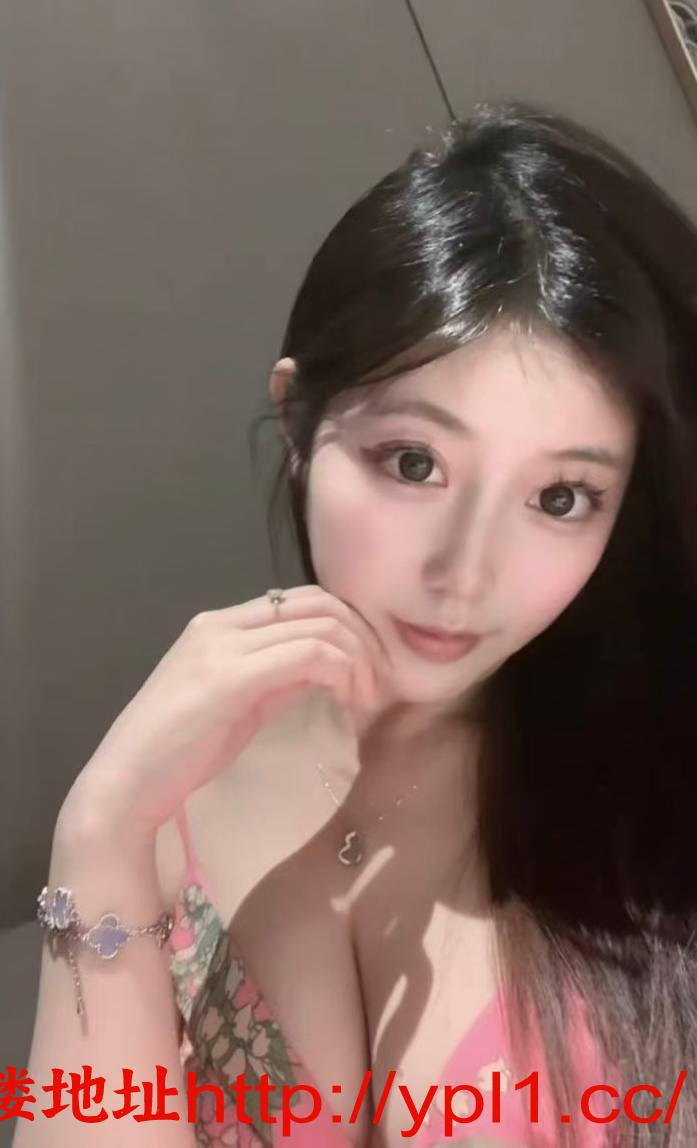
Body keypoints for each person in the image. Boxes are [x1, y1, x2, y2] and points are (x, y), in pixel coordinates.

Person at [16, 101, 697, 1148]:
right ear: (300, 422)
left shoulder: (656, 803)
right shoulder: (180, 782)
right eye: (414, 463)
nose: (464, 574)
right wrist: (98, 832)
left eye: (559, 497)